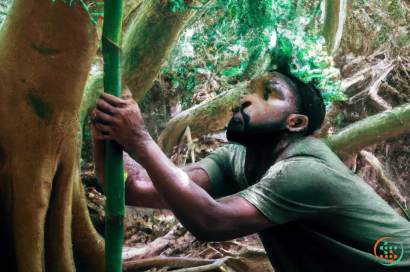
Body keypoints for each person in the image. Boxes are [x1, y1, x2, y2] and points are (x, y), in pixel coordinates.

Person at [92, 71, 410, 271]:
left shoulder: (303, 171)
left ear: (295, 123)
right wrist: (106, 137)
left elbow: (211, 221)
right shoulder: (236, 159)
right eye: (248, 92)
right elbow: (134, 188)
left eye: (267, 94)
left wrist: (141, 139)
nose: (244, 99)